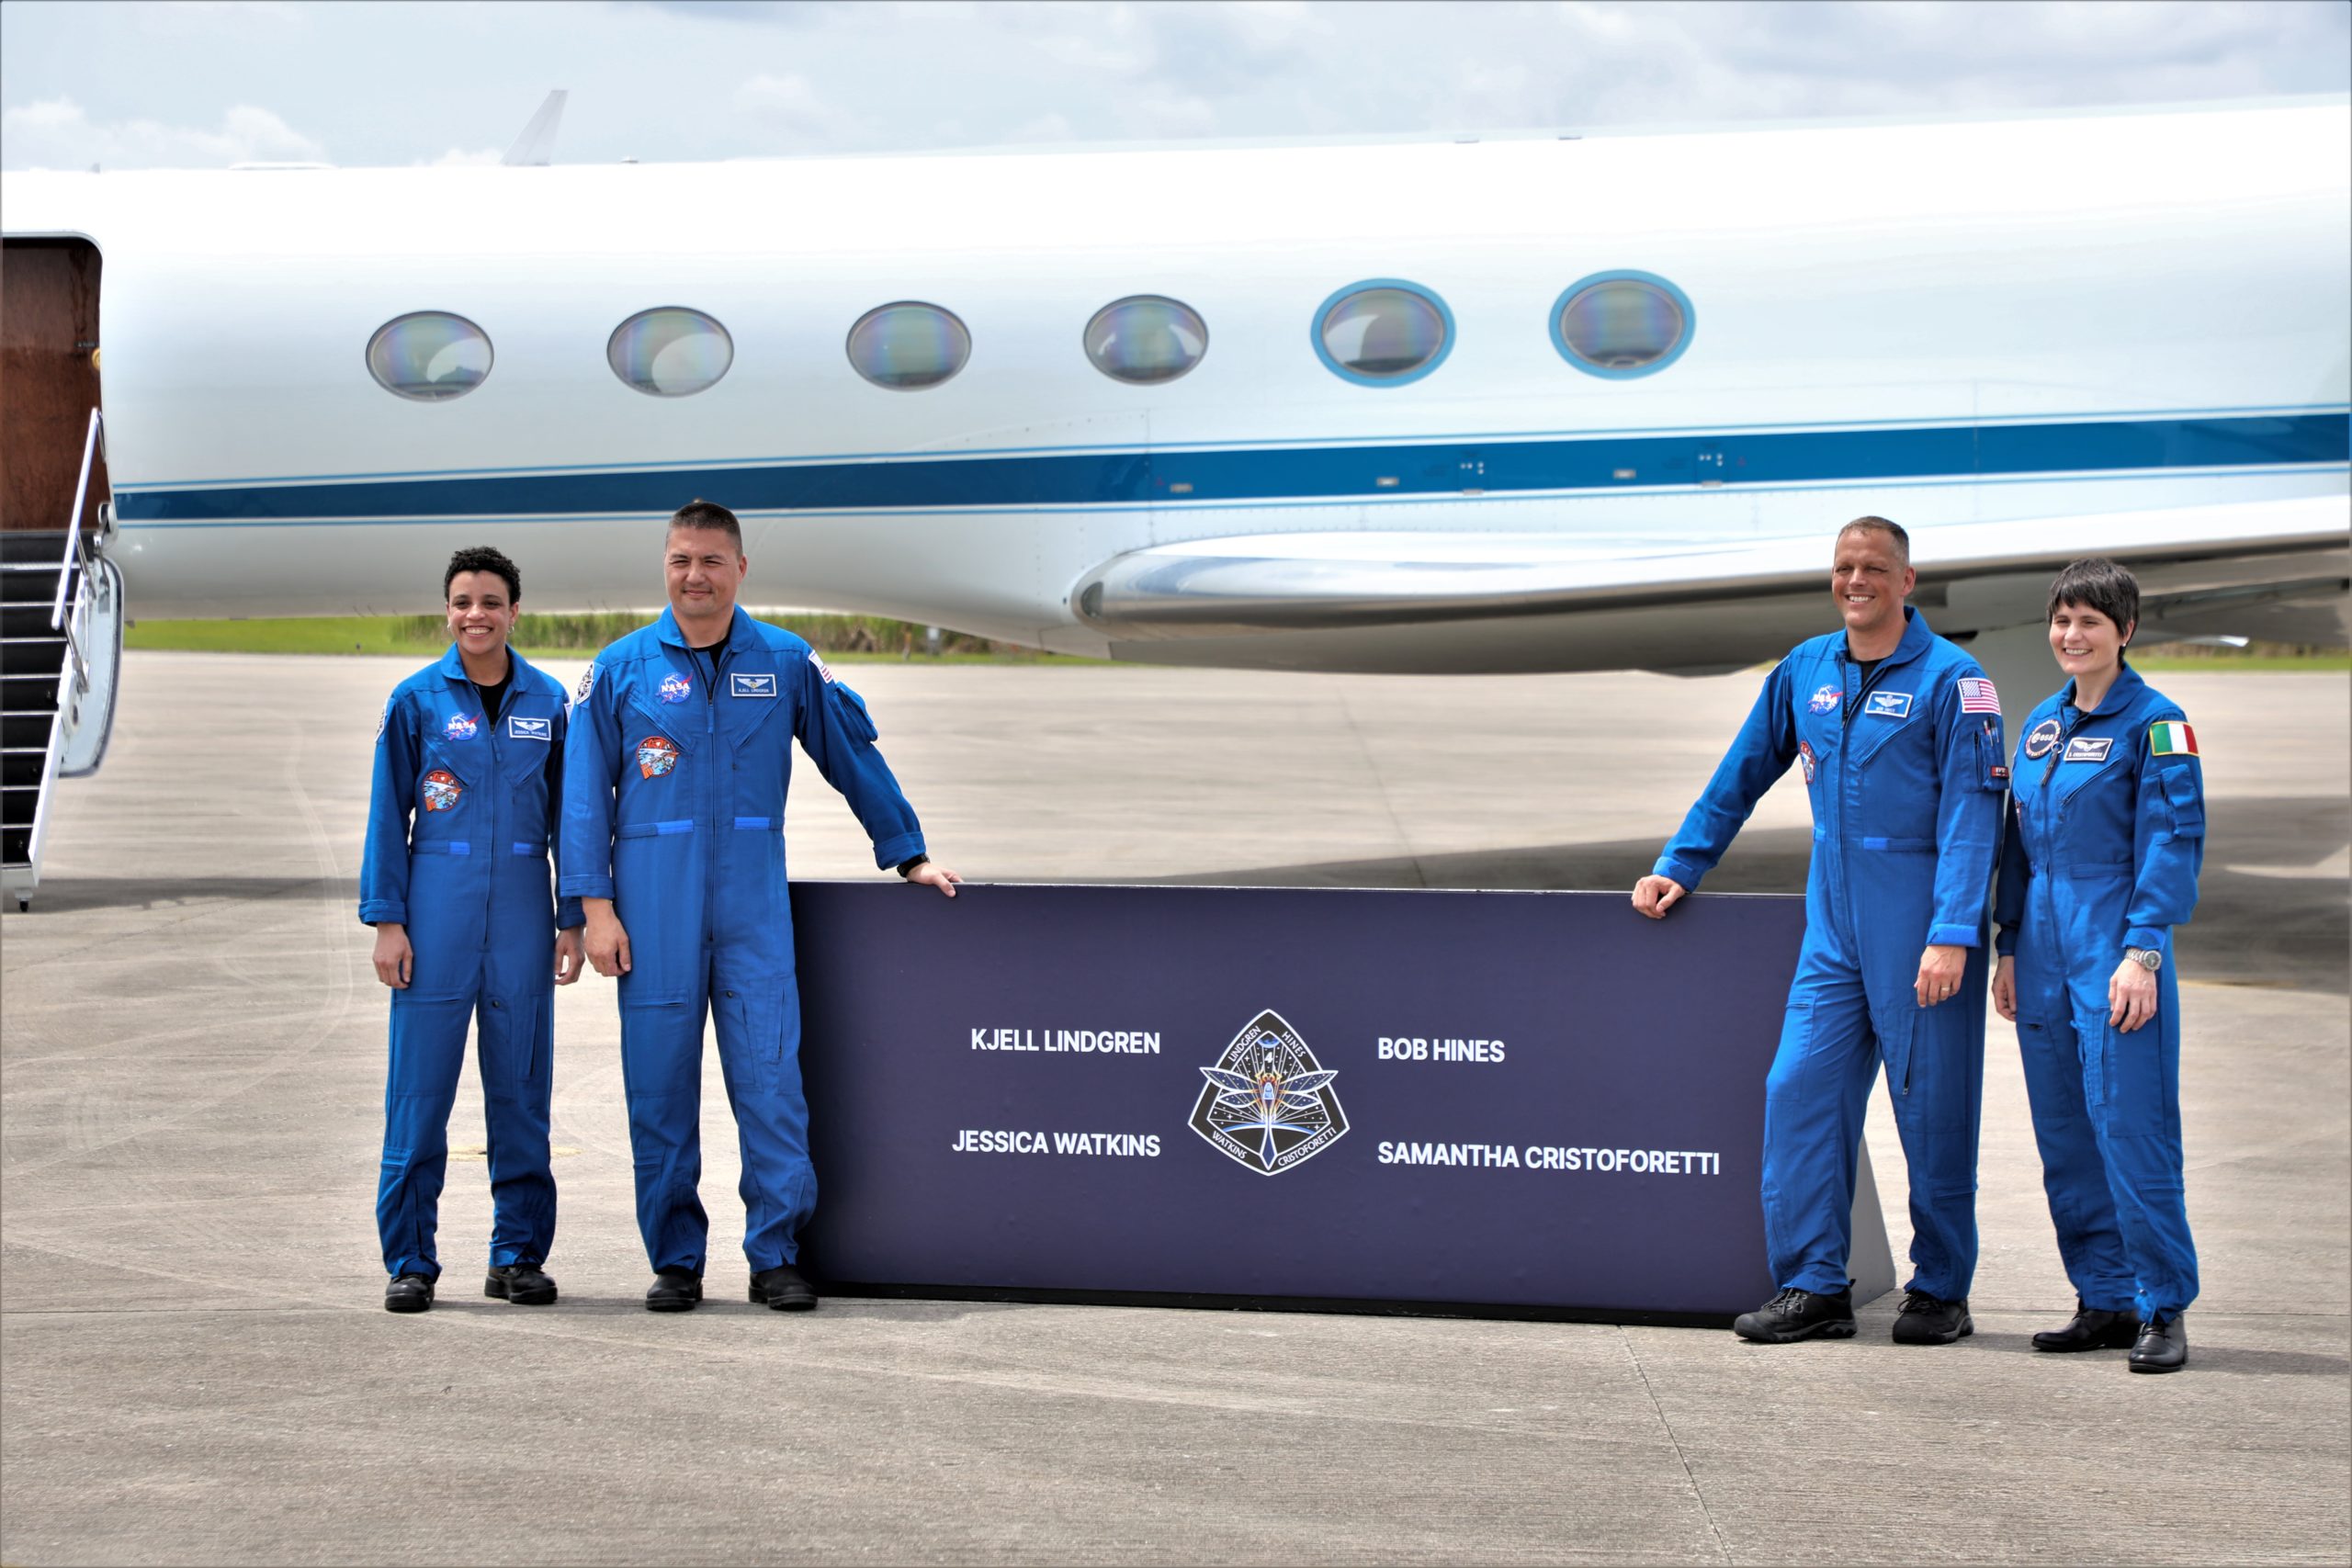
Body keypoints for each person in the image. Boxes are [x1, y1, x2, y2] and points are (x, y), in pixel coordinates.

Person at [561, 500, 960, 1313]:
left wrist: (908, 850)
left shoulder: (784, 661)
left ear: (740, 569)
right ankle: (676, 1259)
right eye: (680, 560)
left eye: (710, 561)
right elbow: (581, 800)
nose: (694, 576)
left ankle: (775, 1253)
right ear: (664, 567)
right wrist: (592, 909)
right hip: (653, 914)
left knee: (771, 1083)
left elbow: (851, 754)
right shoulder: (619, 669)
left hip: (752, 912)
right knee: (659, 1093)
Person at [1632, 517, 2007, 1345]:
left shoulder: (1957, 680)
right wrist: (1679, 863)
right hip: (1833, 931)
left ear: (1909, 581)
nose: (1856, 580)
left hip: (1921, 930)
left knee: (1934, 1112)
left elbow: (1974, 816)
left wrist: (1951, 931)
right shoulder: (1805, 670)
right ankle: (1813, 1285)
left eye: (1875, 567)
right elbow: (1740, 774)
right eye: (1844, 567)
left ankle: (1942, 1288)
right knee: (1797, 1091)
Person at [360, 546, 584, 1314]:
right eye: (462, 602)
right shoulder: (415, 701)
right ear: (446, 610)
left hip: (523, 912)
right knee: (419, 1093)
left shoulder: (550, 703)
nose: (476, 614)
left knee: (521, 1090)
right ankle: (412, 1259)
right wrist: (388, 920)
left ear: (515, 610)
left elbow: (571, 821)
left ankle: (517, 1253)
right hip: (436, 910)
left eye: (491, 601)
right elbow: (388, 818)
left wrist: (572, 918)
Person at [1993, 558, 2204, 1373]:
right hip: (2042, 951)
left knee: (2131, 1130)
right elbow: (2017, 846)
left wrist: (2143, 953)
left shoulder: (2159, 723)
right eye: (2061, 619)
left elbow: (2173, 842)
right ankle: (2105, 1296)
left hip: (2116, 948)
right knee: (2066, 1137)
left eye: (2089, 621)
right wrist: (2009, 946)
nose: (2071, 635)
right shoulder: (2041, 724)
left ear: (2125, 631)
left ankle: (2162, 1305)